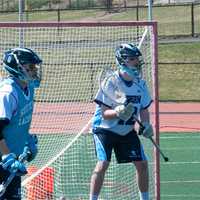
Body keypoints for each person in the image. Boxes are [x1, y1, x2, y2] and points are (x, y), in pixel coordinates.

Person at [89, 43, 154, 200]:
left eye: (137, 59)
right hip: (104, 129)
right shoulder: (111, 82)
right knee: (103, 163)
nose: (136, 62)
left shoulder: (141, 84)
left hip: (126, 131)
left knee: (142, 164)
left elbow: (143, 109)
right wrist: (118, 112)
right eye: (132, 59)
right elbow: (105, 113)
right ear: (123, 61)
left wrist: (146, 125)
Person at [0, 47, 42, 199]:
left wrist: (27, 139)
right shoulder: (8, 92)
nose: (34, 70)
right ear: (17, 68)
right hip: (4, 159)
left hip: (12, 159)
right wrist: (7, 157)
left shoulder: (28, 87)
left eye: (34, 67)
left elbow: (19, 121)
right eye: (30, 67)